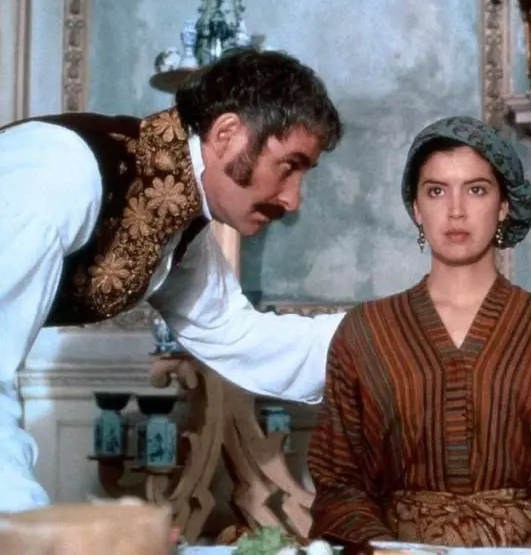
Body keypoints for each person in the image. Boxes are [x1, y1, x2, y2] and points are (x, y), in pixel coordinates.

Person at [0, 48, 346, 512]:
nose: (293, 200)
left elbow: (238, 336)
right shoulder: (60, 172)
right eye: (288, 166)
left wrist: (400, 331)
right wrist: (29, 528)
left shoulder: (178, 223)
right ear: (227, 133)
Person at [306, 116, 531, 550]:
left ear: (503, 205)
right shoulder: (366, 332)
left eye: (476, 190)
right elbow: (339, 482)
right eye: (436, 191)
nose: (456, 210)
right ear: (416, 208)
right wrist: (388, 551)